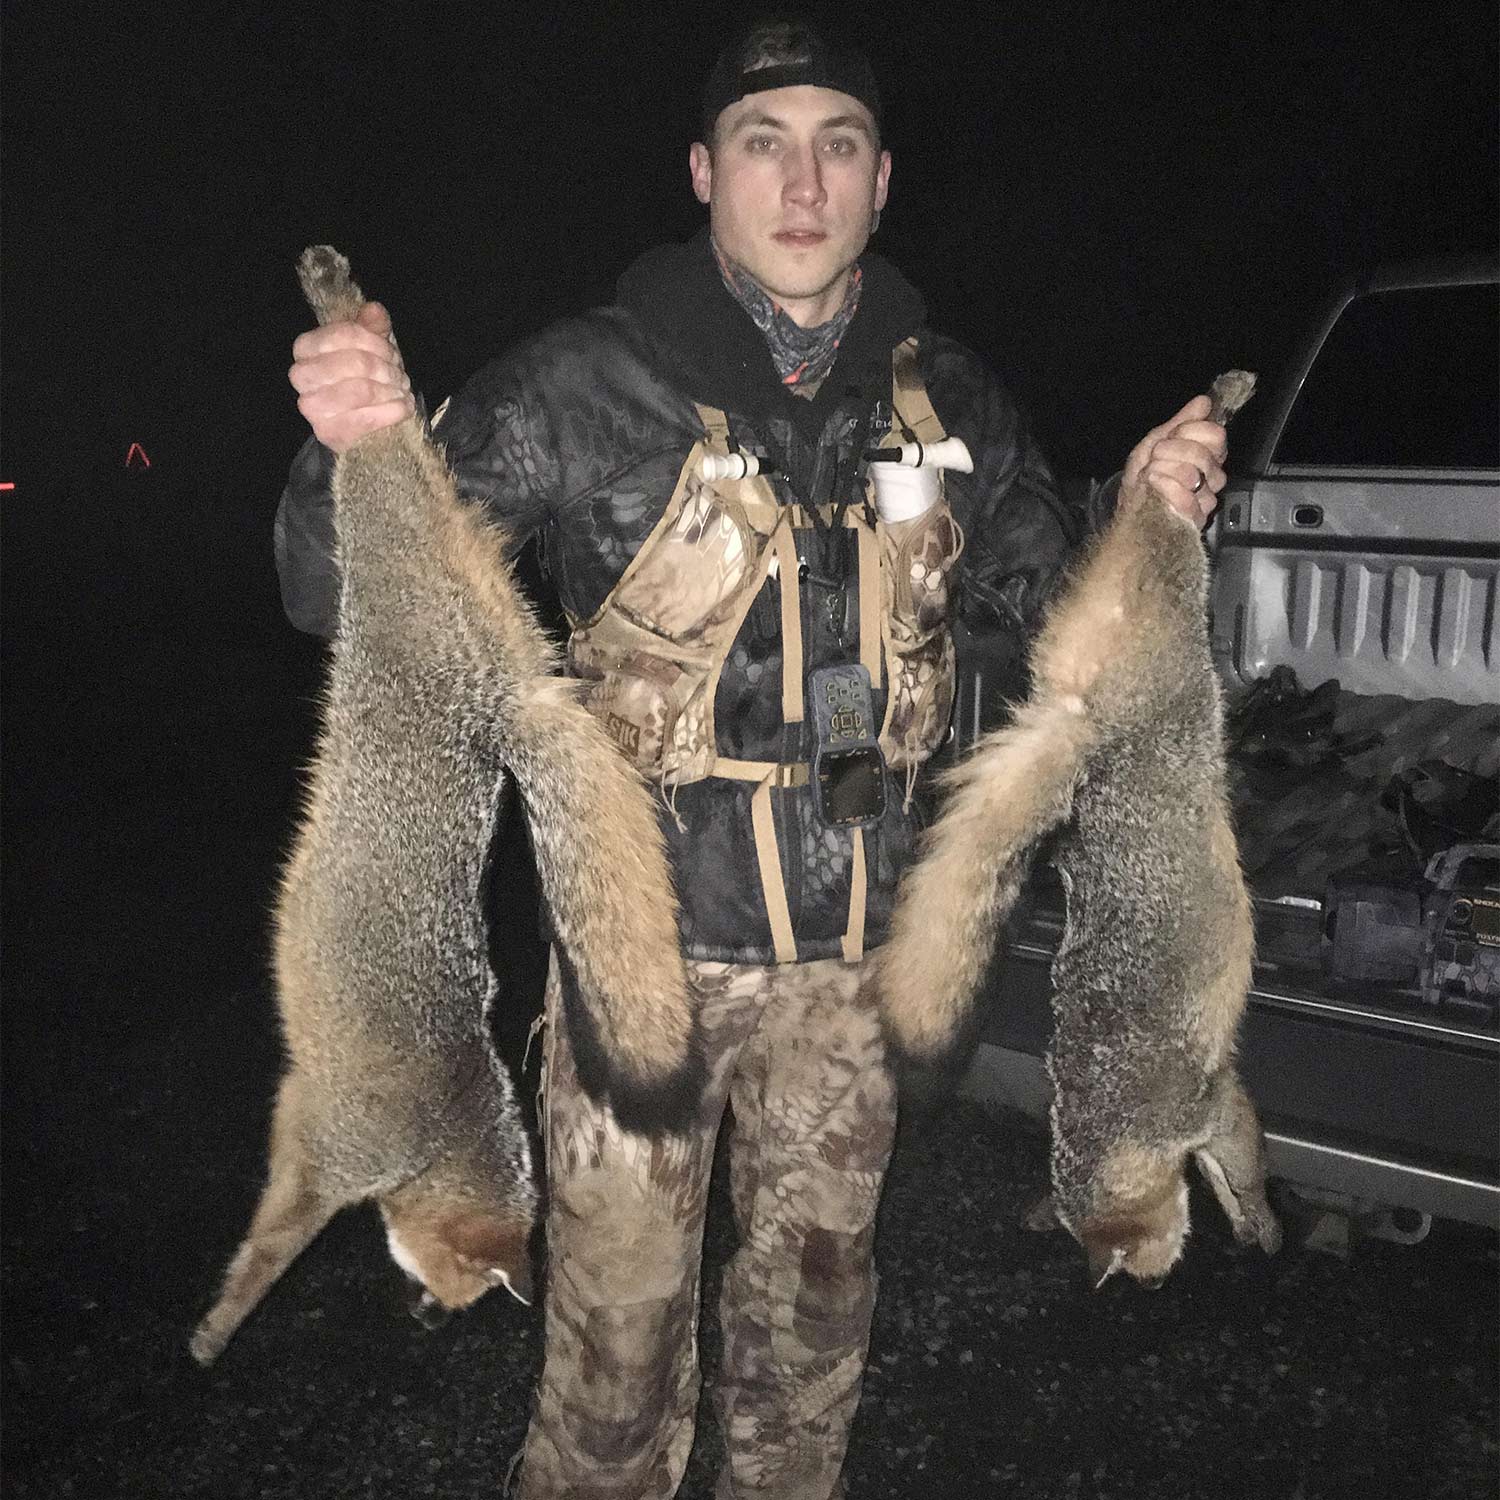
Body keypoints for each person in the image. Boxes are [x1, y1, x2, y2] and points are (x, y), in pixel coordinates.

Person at [274, 18, 1229, 1499]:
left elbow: (1063, 614)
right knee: (608, 1387)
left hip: (855, 973)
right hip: (639, 976)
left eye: (838, 145)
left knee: (809, 1363)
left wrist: (1155, 517)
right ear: (705, 172)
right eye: (767, 144)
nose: (804, 182)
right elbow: (333, 589)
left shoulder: (953, 401)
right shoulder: (583, 383)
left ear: (883, 179)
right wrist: (353, 451)